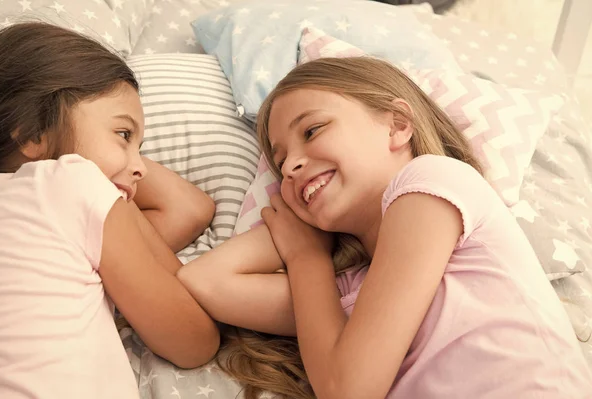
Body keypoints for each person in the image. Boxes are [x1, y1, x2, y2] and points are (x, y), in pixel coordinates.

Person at [178, 57, 592, 399]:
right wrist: (305, 239)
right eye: (280, 160)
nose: (289, 166)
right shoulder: (347, 295)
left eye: (312, 130)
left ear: (397, 126)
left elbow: (347, 390)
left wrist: (305, 256)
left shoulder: (435, 182)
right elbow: (204, 280)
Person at [0, 22, 220, 398]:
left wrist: (118, 165)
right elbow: (195, 342)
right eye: (124, 135)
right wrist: (106, 184)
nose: (142, 167)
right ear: (32, 134)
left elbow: (185, 210)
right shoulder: (71, 184)